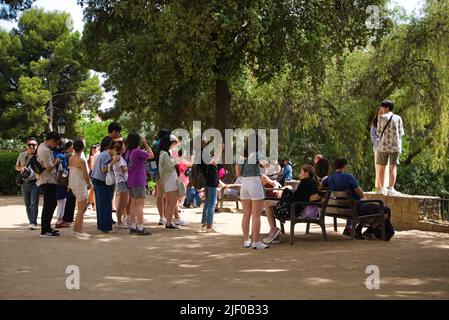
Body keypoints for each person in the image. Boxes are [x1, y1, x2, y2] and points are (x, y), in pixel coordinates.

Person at [322, 158, 393, 240]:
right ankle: (370, 232)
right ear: (345, 166)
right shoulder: (349, 177)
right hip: (354, 208)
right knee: (385, 210)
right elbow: (361, 194)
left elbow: (321, 184)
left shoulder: (329, 178)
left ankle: (358, 230)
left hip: (341, 209)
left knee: (369, 209)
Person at [263, 165, 320, 244]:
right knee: (268, 203)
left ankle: (273, 230)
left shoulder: (305, 182)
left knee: (267, 203)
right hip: (293, 206)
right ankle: (274, 231)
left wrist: (286, 198)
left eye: (301, 172)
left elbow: (298, 198)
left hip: (292, 208)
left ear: (306, 173)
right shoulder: (311, 182)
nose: (300, 173)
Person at [236, 133, 270, 250]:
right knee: (256, 215)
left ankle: (246, 240)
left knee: (246, 215)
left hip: (244, 183)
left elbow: (237, 173)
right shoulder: (258, 154)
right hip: (255, 182)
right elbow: (267, 166)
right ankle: (256, 241)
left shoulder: (241, 155)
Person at [124, 133, 154, 235]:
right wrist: (146, 144)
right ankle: (140, 227)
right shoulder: (138, 151)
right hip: (139, 180)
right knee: (140, 205)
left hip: (131, 180)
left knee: (133, 204)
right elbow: (152, 155)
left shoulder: (128, 152)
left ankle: (133, 226)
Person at [36, 131, 62, 237]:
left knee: (51, 203)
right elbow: (48, 168)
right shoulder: (45, 150)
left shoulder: (43, 148)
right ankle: (45, 230)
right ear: (51, 140)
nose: (56, 145)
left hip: (47, 180)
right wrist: (56, 161)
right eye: (56, 143)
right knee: (49, 204)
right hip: (47, 180)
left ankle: (47, 228)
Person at [91, 140, 121, 233]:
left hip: (97, 180)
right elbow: (104, 169)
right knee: (105, 205)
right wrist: (114, 161)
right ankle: (106, 227)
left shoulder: (103, 153)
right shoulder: (107, 155)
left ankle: (102, 226)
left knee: (101, 206)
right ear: (114, 149)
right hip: (102, 182)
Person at [376, 100, 404, 196]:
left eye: (382, 107)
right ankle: (391, 188)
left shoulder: (381, 117)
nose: (381, 109)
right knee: (393, 167)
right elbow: (401, 133)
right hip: (395, 146)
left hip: (383, 146)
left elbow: (379, 132)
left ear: (387, 108)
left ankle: (382, 188)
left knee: (382, 167)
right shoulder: (398, 118)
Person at [68, 139, 92, 239]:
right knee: (81, 209)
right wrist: (89, 184)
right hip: (80, 184)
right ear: (82, 148)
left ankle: (75, 230)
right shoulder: (81, 160)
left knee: (80, 209)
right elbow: (86, 176)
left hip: (74, 184)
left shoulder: (71, 158)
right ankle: (80, 231)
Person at [15, 137, 40, 230]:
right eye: (29, 144)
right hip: (24, 183)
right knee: (27, 204)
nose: (31, 146)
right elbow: (16, 167)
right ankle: (31, 221)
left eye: (34, 145)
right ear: (26, 146)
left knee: (34, 203)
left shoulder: (39, 156)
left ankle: (33, 222)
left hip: (35, 182)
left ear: (37, 146)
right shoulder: (22, 155)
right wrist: (21, 168)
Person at [158, 134, 180, 230]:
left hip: (168, 179)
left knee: (172, 201)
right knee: (172, 201)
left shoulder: (163, 153)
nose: (172, 144)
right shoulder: (165, 154)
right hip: (169, 179)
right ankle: (169, 222)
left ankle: (169, 221)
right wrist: (176, 162)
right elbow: (169, 167)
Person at [152, 129, 171, 225]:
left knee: (159, 196)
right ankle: (168, 216)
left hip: (156, 173)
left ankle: (161, 217)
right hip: (165, 174)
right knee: (168, 196)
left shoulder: (154, 145)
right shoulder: (165, 147)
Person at [113, 140, 129, 229]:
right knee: (121, 202)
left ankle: (120, 221)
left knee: (123, 201)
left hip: (122, 181)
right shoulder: (118, 157)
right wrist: (129, 167)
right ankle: (119, 221)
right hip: (121, 181)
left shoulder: (119, 157)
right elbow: (123, 170)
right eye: (123, 146)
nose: (125, 147)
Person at [54, 140, 69, 229]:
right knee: (62, 201)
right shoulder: (61, 156)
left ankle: (60, 219)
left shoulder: (52, 154)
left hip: (52, 180)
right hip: (60, 181)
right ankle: (59, 220)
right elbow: (65, 169)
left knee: (58, 201)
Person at [87, 144, 99, 211]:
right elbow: (91, 167)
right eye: (93, 147)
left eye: (95, 147)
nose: (94, 149)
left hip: (93, 172)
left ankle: (93, 204)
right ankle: (90, 203)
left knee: (93, 190)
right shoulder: (91, 156)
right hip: (92, 173)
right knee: (92, 190)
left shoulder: (95, 156)